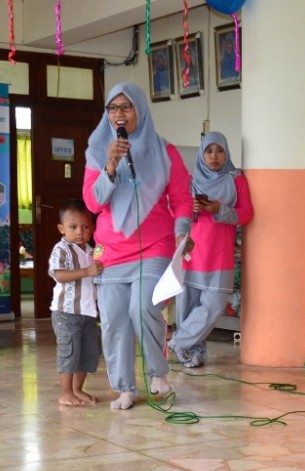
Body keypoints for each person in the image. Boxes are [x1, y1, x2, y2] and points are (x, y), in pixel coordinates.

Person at [82, 82, 192, 411]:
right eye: (112, 108)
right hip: (113, 251)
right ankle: (124, 388)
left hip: (155, 246)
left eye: (126, 107)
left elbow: (182, 199)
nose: (119, 114)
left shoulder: (165, 150)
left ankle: (157, 373)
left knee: (143, 307)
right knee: (115, 318)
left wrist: (182, 233)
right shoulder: (96, 151)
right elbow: (92, 201)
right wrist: (110, 167)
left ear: (139, 110)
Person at [172, 132, 254, 368]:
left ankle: (178, 341)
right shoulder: (190, 181)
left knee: (214, 304)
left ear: (227, 152)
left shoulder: (235, 179)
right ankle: (192, 351)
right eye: (208, 151)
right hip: (191, 251)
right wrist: (195, 210)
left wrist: (219, 208)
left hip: (219, 255)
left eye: (219, 150)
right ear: (201, 154)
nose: (214, 156)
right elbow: (178, 213)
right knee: (187, 307)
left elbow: (247, 214)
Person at [47, 199, 102, 407]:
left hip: (88, 312)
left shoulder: (91, 251)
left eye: (86, 226)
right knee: (69, 350)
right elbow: (59, 275)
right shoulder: (61, 249)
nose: (80, 231)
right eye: (73, 227)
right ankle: (65, 392)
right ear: (62, 228)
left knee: (87, 352)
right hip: (66, 312)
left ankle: (78, 389)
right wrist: (87, 272)